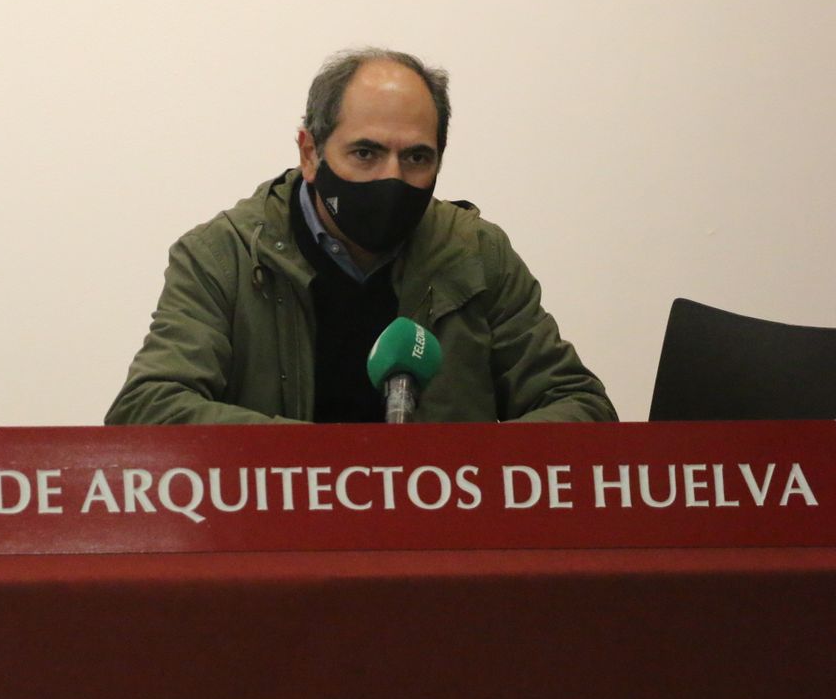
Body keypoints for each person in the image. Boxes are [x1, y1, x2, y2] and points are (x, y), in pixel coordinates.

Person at [107, 47, 614, 426]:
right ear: (310, 153)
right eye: (365, 154)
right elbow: (148, 408)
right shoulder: (224, 256)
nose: (390, 179)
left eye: (416, 157)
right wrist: (337, 469)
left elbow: (580, 406)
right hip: (283, 545)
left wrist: (465, 470)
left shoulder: (478, 254)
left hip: (438, 544)